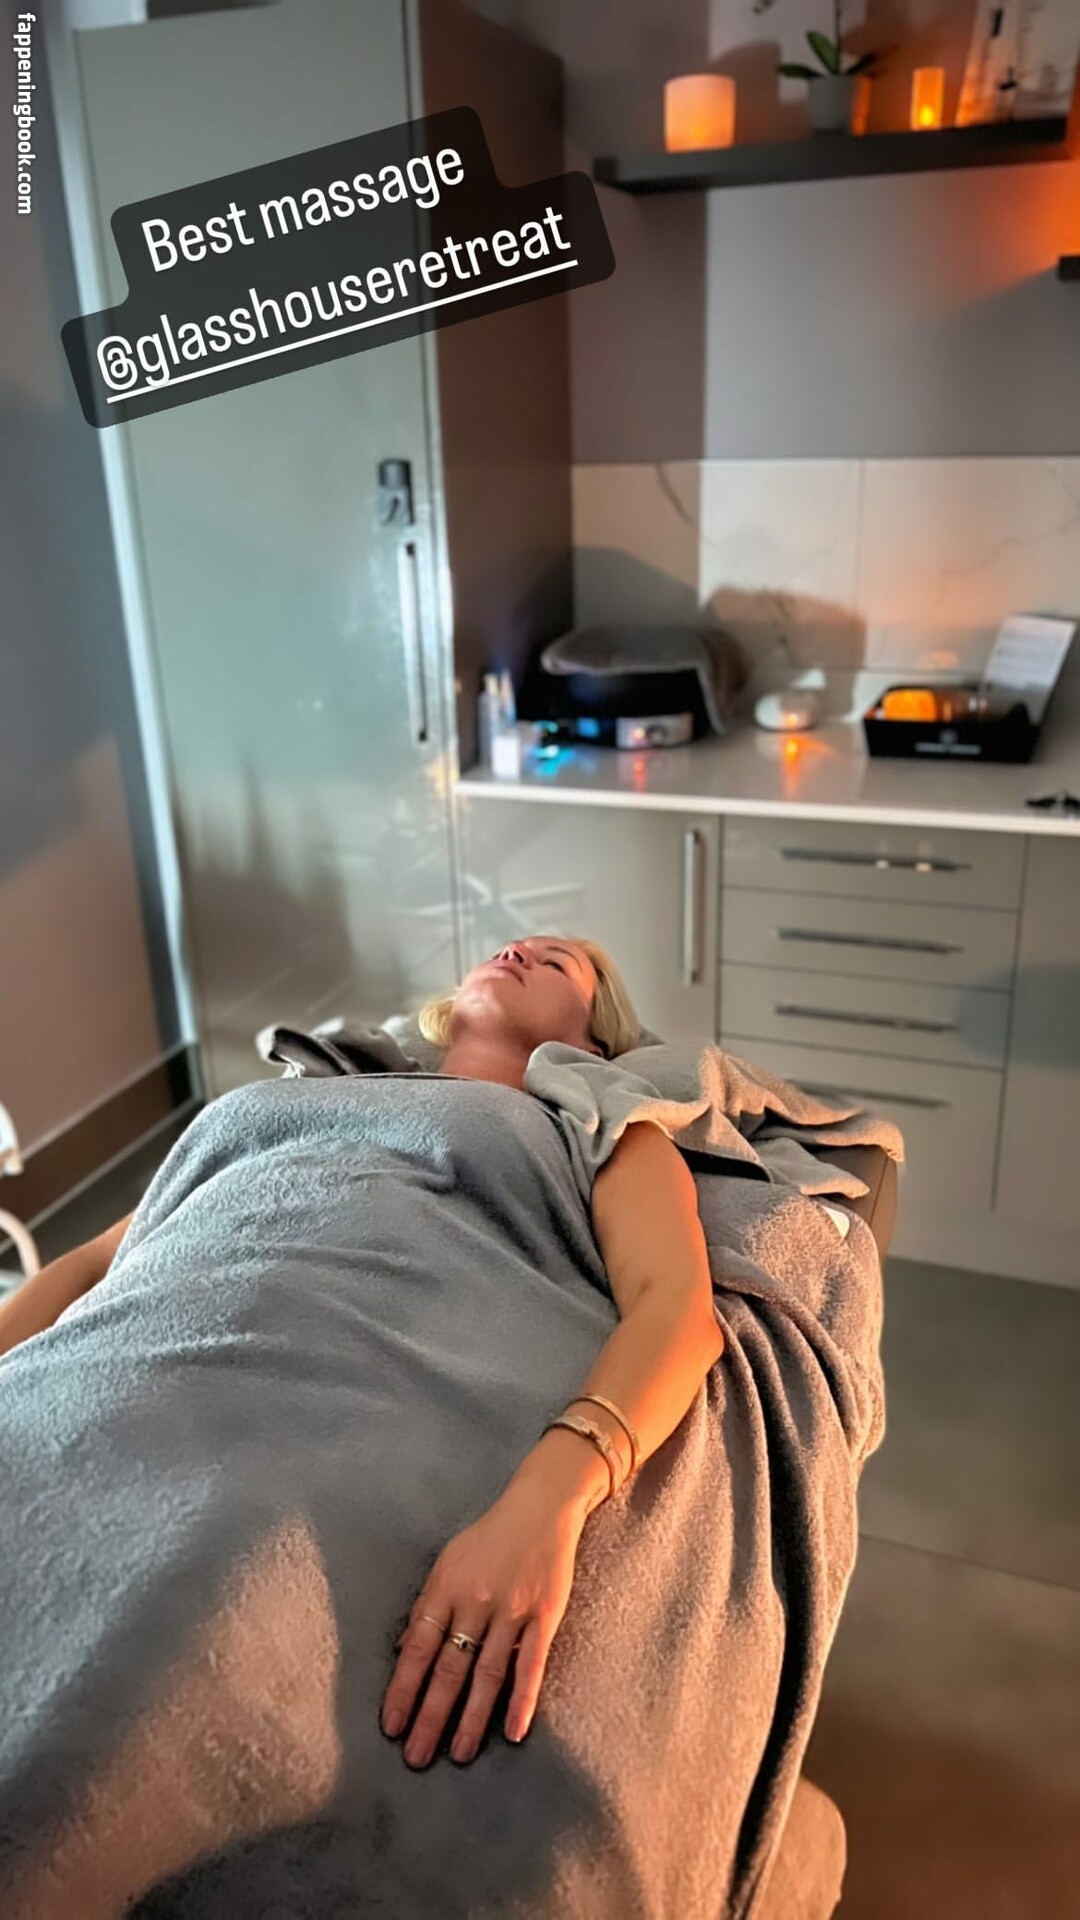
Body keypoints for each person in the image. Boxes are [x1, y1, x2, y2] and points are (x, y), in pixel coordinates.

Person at [0, 935, 724, 1915]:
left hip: (313, 1417)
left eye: (559, 961)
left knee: (143, 1671)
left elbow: (676, 1310)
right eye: (517, 944)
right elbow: (91, 1265)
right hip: (107, 1372)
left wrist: (549, 1499)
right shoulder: (292, 1099)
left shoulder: (589, 1123)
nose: (522, 947)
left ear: (595, 1041)